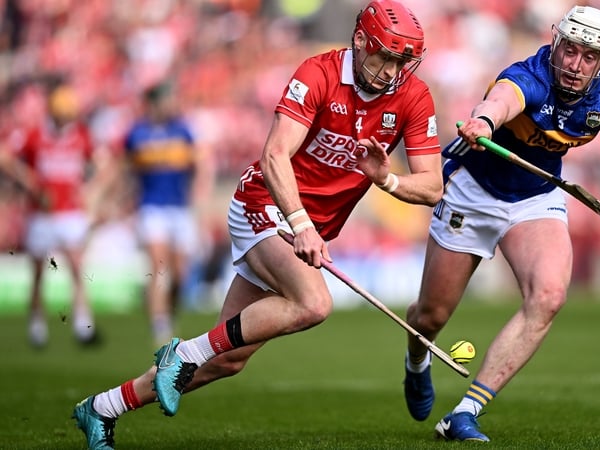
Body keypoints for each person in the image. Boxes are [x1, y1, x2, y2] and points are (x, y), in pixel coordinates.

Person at [72, 1, 443, 448]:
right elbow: (274, 155)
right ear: (361, 41)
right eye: (386, 56)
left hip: (307, 230)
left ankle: (102, 408)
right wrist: (301, 223)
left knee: (227, 360)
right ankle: (182, 352)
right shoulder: (318, 73)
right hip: (265, 205)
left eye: (403, 62)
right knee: (314, 304)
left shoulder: (413, 97)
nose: (391, 71)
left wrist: (386, 178)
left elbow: (432, 188)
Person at [402, 5, 600, 442]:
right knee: (431, 316)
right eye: (569, 50)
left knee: (548, 295)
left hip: (535, 199)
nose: (574, 65)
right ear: (556, 42)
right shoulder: (530, 74)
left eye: (588, 57)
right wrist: (483, 121)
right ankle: (416, 360)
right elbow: (502, 100)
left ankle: (465, 413)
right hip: (473, 190)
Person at [0, 78, 107, 348]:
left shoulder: (80, 134)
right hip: (42, 214)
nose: (63, 121)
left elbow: (104, 163)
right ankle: (36, 324)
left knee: (76, 266)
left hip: (71, 212)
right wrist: (31, 182)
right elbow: (5, 157)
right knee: (38, 272)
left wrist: (90, 189)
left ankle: (83, 325)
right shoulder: (35, 134)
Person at [123, 82, 211, 345]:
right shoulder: (136, 134)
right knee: (159, 266)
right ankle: (159, 326)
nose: (172, 104)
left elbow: (200, 164)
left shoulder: (182, 130)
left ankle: (169, 314)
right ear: (153, 103)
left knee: (181, 274)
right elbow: (125, 170)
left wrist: (199, 190)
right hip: (151, 207)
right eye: (167, 99)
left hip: (180, 208)